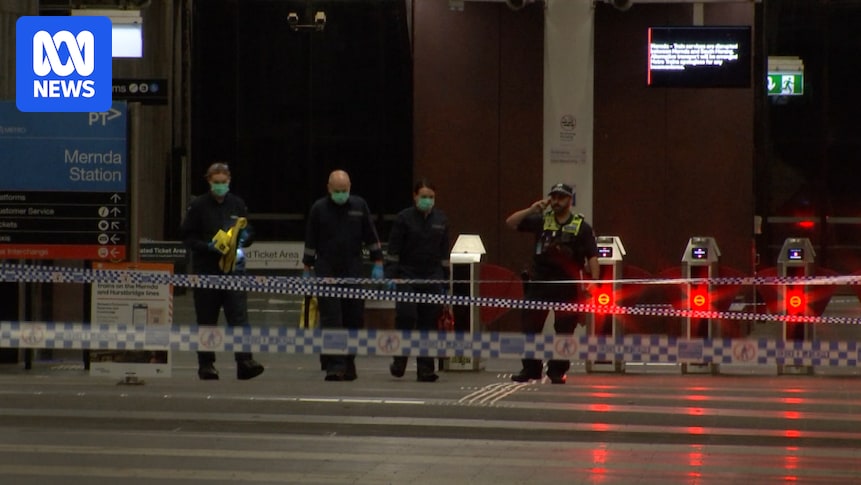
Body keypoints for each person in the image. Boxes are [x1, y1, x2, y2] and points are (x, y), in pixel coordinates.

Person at [504, 182, 599, 384]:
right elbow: (511, 223)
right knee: (530, 327)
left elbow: (592, 256)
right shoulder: (541, 220)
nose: (556, 201)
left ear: (570, 200)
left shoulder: (581, 227)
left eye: (561, 197)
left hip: (566, 286)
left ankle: (557, 370)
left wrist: (594, 283)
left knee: (564, 331)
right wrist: (532, 209)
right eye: (554, 197)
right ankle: (531, 369)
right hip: (540, 282)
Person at [180, 162, 265, 380]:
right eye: (216, 182)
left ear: (229, 181)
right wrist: (207, 247)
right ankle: (206, 364)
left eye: (223, 182)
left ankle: (245, 361)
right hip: (207, 271)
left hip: (233, 271)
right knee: (207, 318)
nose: (220, 186)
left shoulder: (237, 204)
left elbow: (249, 229)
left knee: (239, 317)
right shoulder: (198, 206)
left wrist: (245, 238)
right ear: (209, 181)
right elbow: (187, 237)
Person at [303, 169, 384, 381]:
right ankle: (335, 365)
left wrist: (378, 262)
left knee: (354, 317)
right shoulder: (319, 209)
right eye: (337, 190)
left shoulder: (359, 206)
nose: (341, 194)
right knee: (332, 319)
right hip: (327, 268)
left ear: (350, 188)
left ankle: (349, 362)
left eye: (345, 190)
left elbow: (371, 235)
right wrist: (307, 268)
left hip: (353, 268)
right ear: (329, 188)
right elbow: (311, 241)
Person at [385, 179, 450, 382]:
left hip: (432, 278)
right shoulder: (403, 218)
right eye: (423, 196)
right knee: (406, 317)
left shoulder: (441, 219)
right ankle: (399, 360)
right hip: (407, 277)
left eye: (431, 197)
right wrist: (390, 275)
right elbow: (394, 250)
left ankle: (426, 369)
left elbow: (444, 254)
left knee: (428, 324)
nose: (427, 200)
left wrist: (445, 282)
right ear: (415, 196)